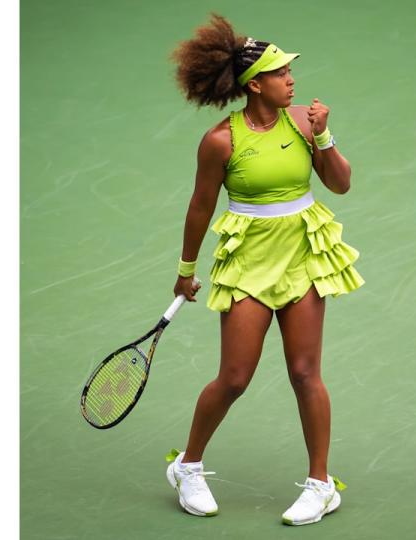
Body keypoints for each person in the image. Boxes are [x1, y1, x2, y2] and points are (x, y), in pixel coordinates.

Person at [164, 14, 364, 526]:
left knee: (305, 373)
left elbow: (340, 184)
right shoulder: (220, 141)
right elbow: (199, 207)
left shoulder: (303, 122)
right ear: (256, 85)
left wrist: (323, 137)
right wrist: (186, 270)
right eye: (281, 72)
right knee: (233, 377)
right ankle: (187, 466)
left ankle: (321, 485)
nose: (291, 78)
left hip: (302, 255)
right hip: (249, 263)